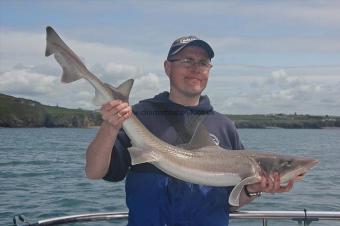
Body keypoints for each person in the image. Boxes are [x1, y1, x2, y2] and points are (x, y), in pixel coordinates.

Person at [85, 36, 296, 226]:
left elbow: (231, 203)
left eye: (203, 63)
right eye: (187, 61)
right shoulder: (139, 115)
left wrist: (254, 189)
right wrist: (109, 127)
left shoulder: (224, 126)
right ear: (168, 67)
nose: (196, 68)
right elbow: (94, 172)